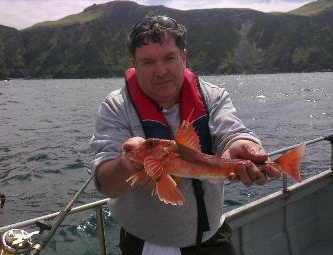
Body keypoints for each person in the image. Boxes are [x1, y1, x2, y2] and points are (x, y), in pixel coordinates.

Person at [90, 16, 281, 255]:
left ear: (183, 56)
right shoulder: (115, 107)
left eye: (169, 58)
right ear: (134, 64)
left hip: (212, 233)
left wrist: (245, 145)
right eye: (148, 62)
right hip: (148, 241)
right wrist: (127, 164)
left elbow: (232, 132)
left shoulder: (213, 96)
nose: (160, 71)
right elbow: (106, 184)